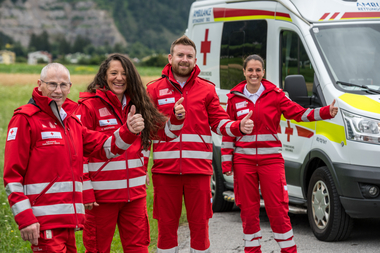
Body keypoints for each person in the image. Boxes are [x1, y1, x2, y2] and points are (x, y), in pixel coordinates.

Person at [3, 63, 149, 252]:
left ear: (70, 87)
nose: (58, 90)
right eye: (52, 84)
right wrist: (25, 218)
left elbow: (104, 148)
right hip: (43, 222)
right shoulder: (25, 119)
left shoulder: (71, 122)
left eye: (63, 85)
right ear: (39, 84)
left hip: (69, 223)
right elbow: (12, 177)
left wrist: (128, 131)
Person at [146, 35, 254, 253]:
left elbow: (219, 122)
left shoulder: (207, 89)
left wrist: (237, 127)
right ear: (170, 57)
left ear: (196, 60)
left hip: (199, 171)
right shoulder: (154, 89)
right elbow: (145, 133)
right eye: (180, 55)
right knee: (167, 229)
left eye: (189, 56)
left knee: (200, 229)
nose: (184, 59)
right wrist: (141, 170)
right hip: (165, 173)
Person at [221, 54, 339, 253]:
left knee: (277, 209)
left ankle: (288, 250)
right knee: (249, 212)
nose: (254, 74)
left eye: (258, 70)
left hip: (271, 161)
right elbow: (228, 132)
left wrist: (325, 112)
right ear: (244, 72)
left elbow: (298, 113)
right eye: (250, 70)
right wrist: (226, 163)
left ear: (263, 72)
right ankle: (252, 250)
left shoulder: (275, 95)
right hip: (244, 162)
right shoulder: (234, 98)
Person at [74, 53, 185, 253]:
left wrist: (176, 119)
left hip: (134, 195)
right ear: (103, 76)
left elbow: (161, 133)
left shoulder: (138, 103)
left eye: (124, 73)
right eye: (113, 73)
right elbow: (79, 149)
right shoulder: (88, 106)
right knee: (97, 248)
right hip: (101, 197)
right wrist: (86, 188)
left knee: (139, 248)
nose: (119, 78)